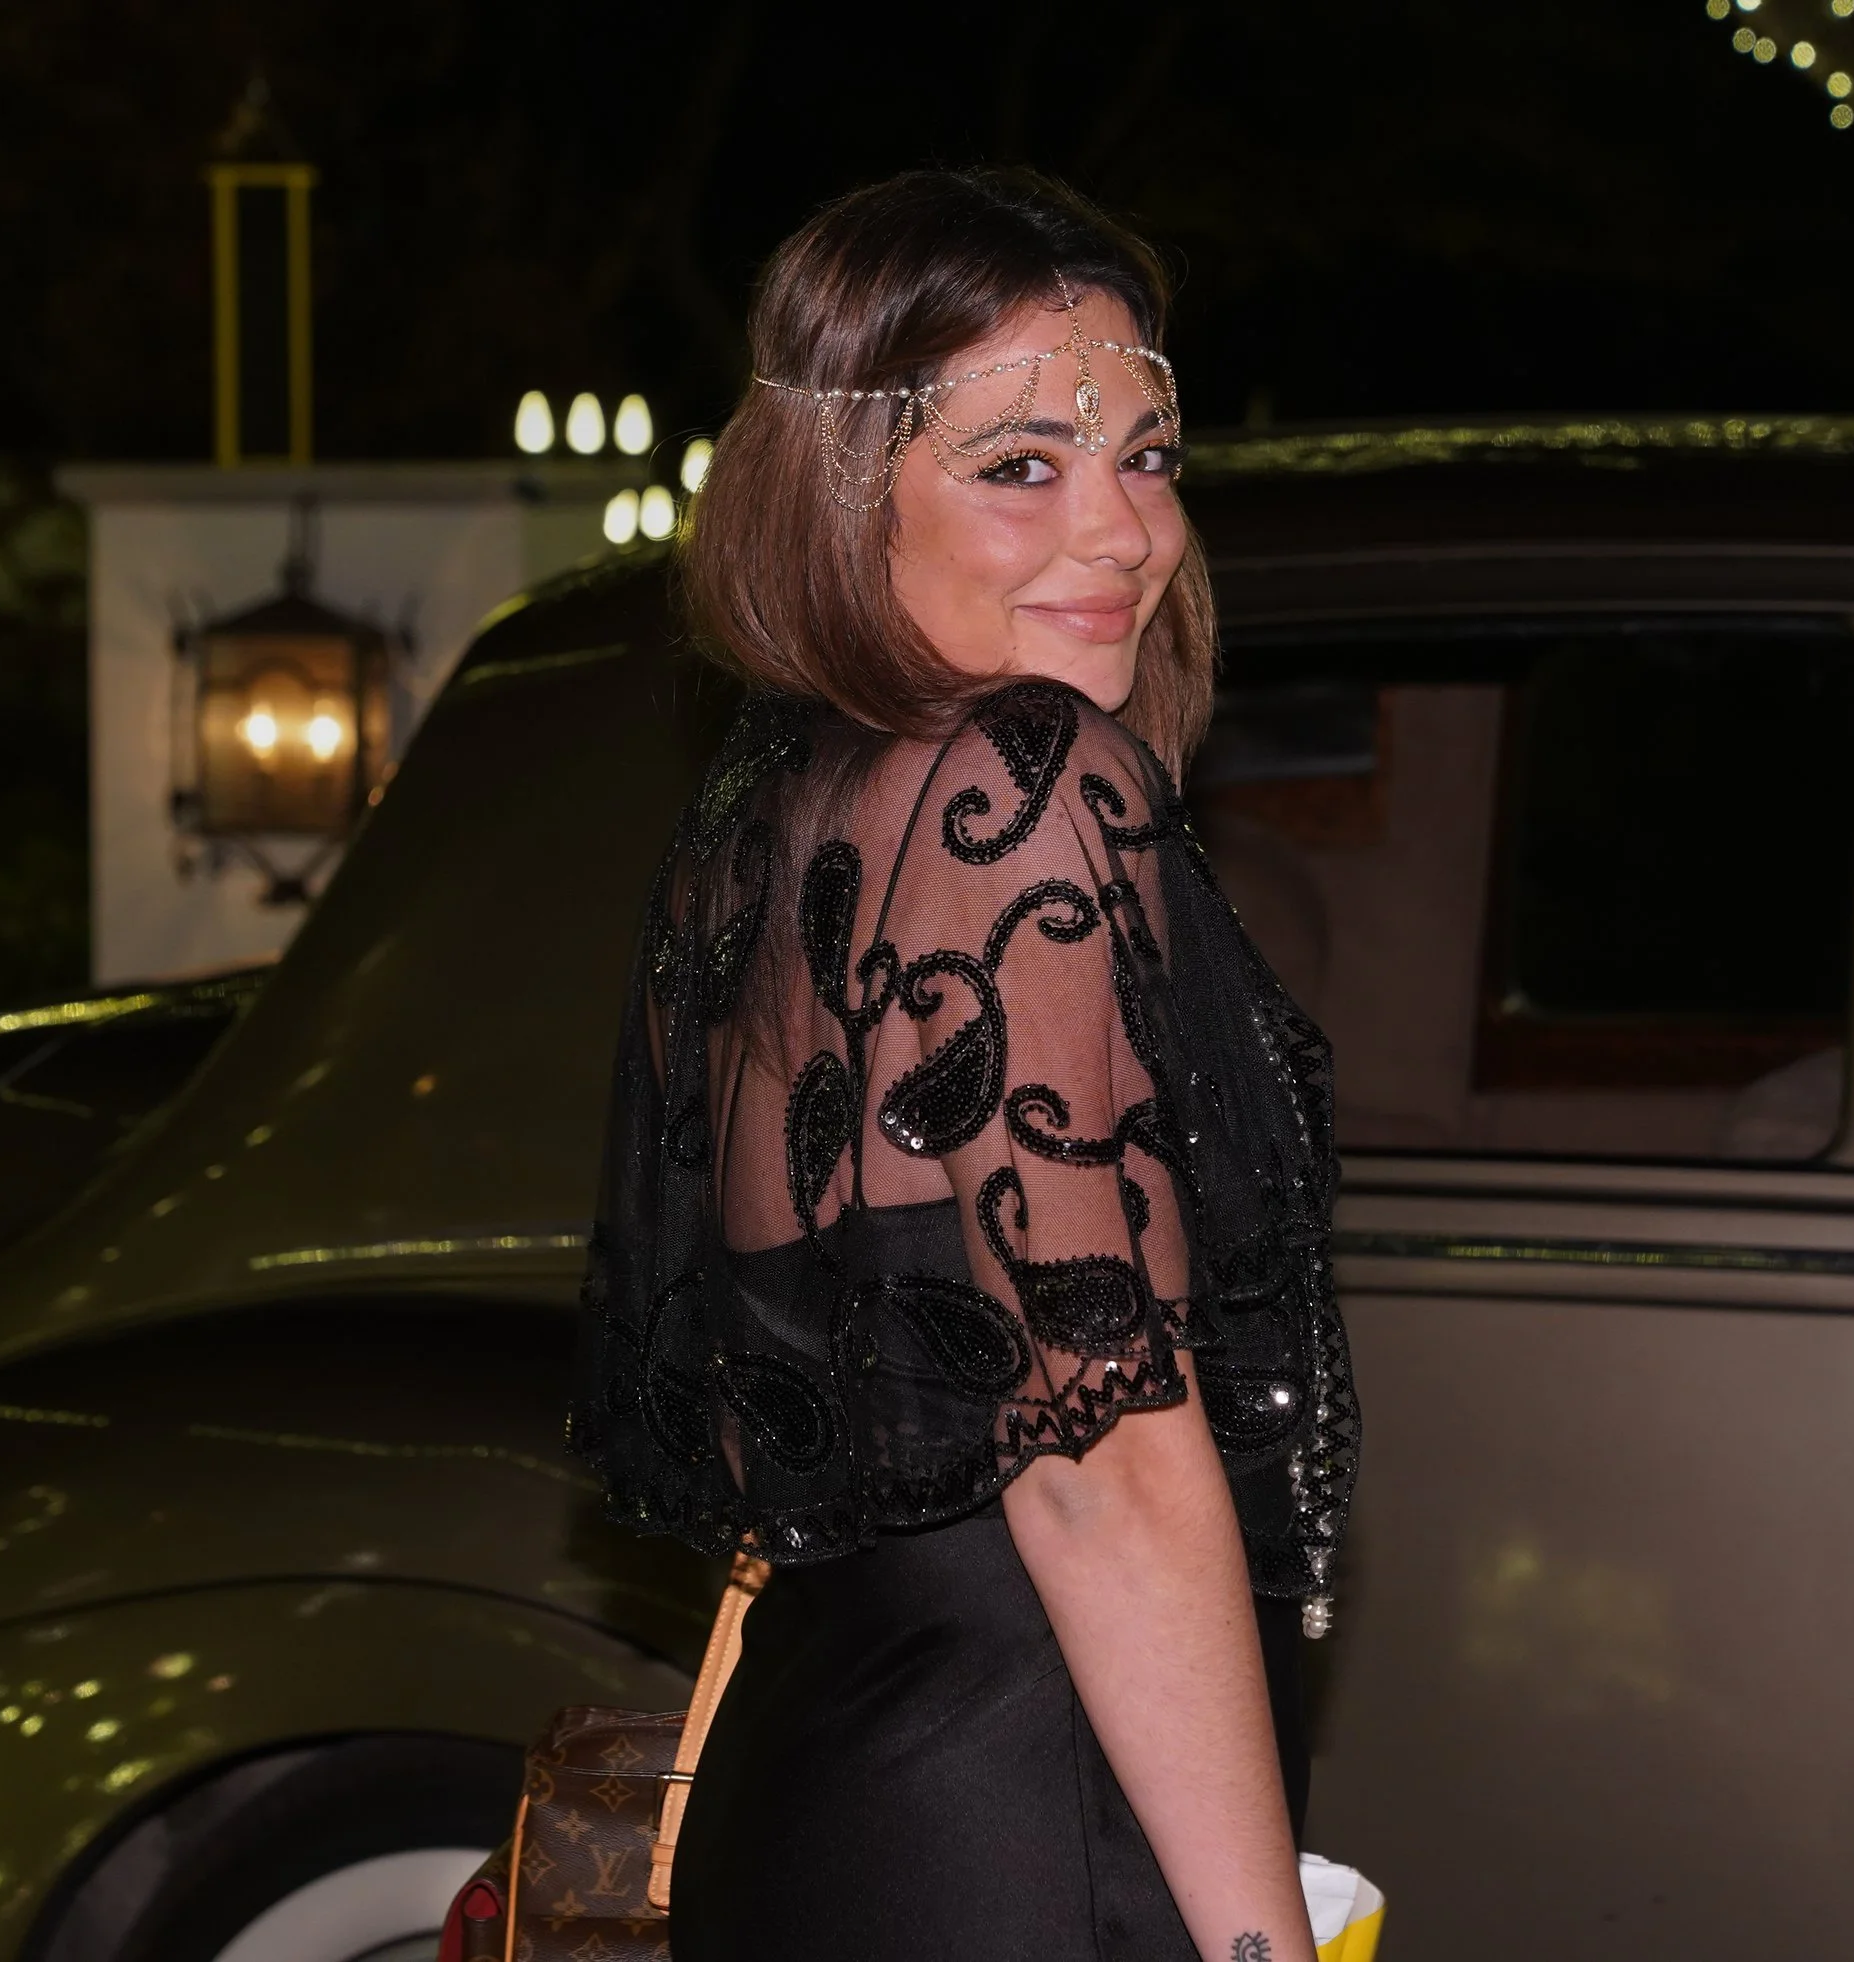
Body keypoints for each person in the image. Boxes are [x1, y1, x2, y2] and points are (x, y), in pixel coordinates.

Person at [569, 167, 1357, 1962]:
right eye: (1020, 465)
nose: (1123, 532)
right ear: (845, 493)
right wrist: (1264, 1950)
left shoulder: (780, 798)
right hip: (1017, 1821)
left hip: (829, 1801)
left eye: (1146, 454)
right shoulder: (1012, 793)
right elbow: (1099, 1467)